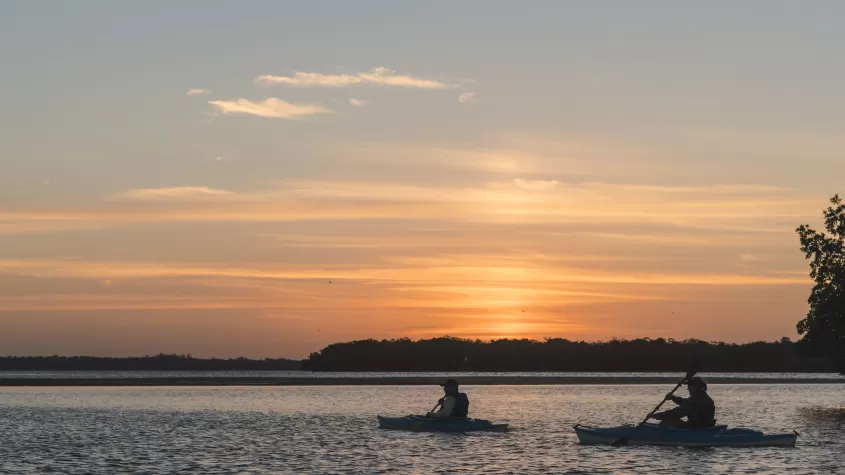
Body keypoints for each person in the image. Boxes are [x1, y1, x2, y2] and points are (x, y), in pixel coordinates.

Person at [648, 376, 716, 428]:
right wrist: (673, 398)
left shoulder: (695, 402)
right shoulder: (702, 397)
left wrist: (655, 416)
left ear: (696, 388)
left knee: (667, 422)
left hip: (697, 428)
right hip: (702, 426)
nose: (688, 388)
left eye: (689, 386)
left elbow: (675, 413)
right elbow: (684, 402)